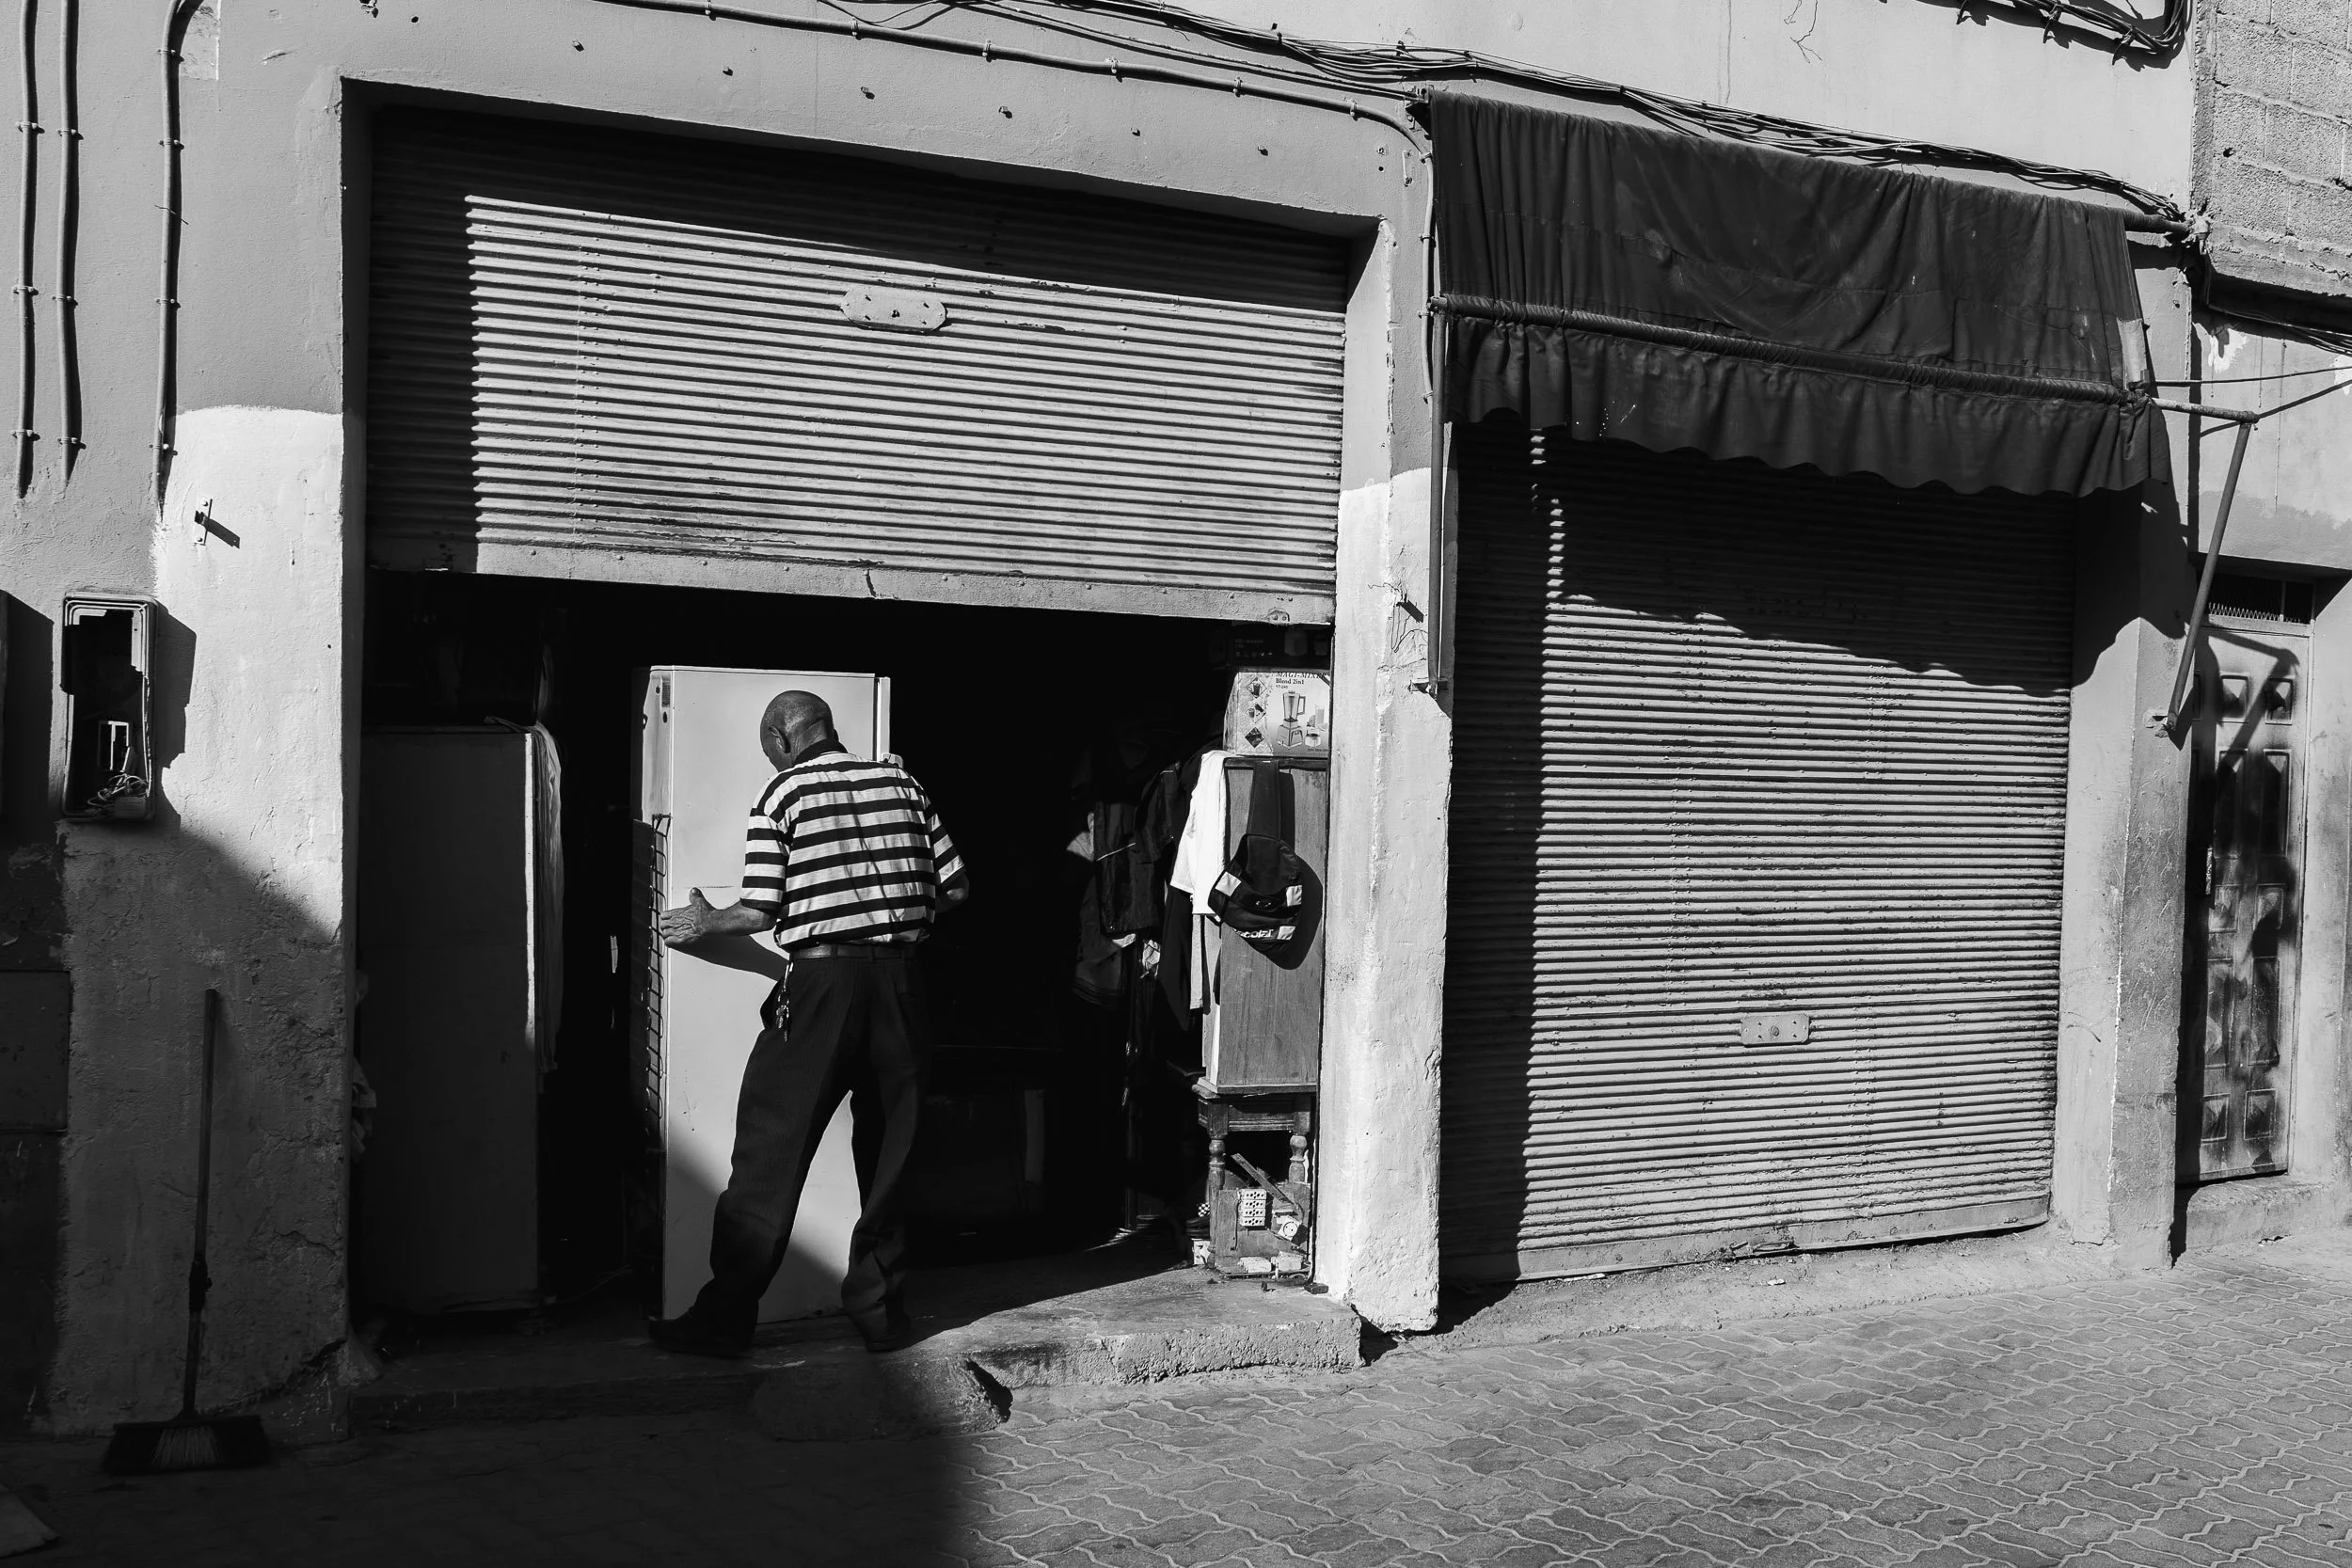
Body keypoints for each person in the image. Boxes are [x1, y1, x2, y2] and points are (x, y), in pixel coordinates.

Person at [648, 689, 968, 1357]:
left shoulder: (782, 796)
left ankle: (724, 1317)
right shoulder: (903, 782)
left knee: (770, 1148)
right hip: (902, 982)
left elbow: (761, 908)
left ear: (782, 740)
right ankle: (880, 1311)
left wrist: (707, 921)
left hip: (822, 985)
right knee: (890, 1152)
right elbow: (957, 886)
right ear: (827, 728)